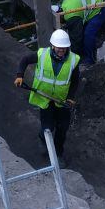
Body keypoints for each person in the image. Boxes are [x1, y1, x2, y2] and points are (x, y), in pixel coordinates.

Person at [14, 29, 81, 159]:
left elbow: (75, 80)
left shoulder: (73, 60)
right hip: (44, 99)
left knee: (62, 128)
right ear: (53, 45)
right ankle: (45, 142)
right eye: (59, 48)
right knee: (48, 129)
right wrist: (19, 75)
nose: (61, 51)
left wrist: (71, 97)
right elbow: (25, 60)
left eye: (64, 48)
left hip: (61, 100)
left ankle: (58, 153)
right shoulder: (42, 55)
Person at [56, 0, 105, 65]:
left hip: (101, 8)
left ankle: (90, 59)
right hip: (96, 0)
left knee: (88, 34)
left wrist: (71, 57)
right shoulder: (65, 3)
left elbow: (76, 39)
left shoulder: (72, 16)